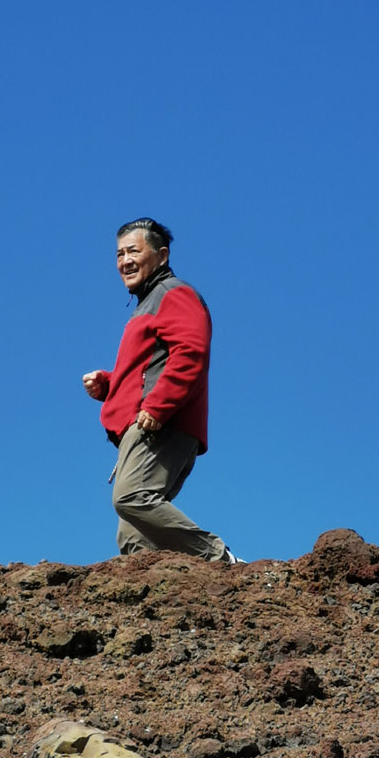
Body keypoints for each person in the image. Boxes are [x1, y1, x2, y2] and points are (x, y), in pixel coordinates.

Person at [83, 217, 240, 563]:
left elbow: (190, 352)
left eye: (134, 251)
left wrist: (158, 406)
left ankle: (218, 558)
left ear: (162, 255)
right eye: (120, 253)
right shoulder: (148, 303)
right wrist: (110, 384)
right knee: (134, 537)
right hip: (146, 422)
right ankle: (172, 596)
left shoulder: (174, 294)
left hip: (160, 424)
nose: (125, 260)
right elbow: (149, 367)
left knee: (131, 496)